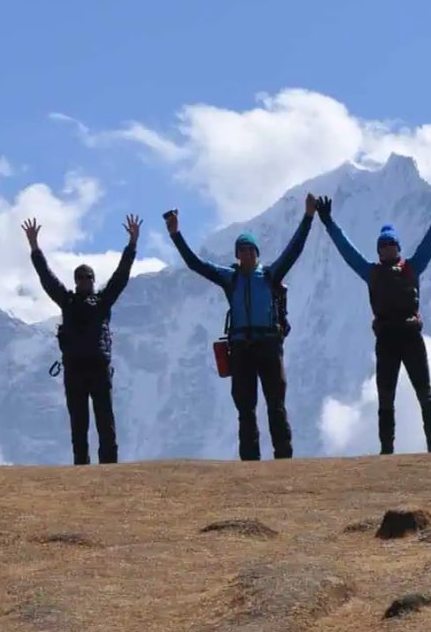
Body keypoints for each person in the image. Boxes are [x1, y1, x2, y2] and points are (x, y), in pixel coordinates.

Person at [165, 194, 317, 461]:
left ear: (257, 254)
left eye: (250, 250)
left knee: (276, 405)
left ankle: (284, 460)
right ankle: (250, 463)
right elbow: (195, 264)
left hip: (268, 345)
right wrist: (175, 234)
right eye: (242, 250)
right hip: (241, 349)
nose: (246, 254)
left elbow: (294, 250)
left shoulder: (270, 275)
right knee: (245, 409)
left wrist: (308, 217)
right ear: (236, 255)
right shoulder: (230, 278)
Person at [316, 182, 431, 454]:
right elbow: (347, 251)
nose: (388, 248)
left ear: (398, 247)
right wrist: (329, 223)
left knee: (424, 391)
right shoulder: (371, 272)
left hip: (410, 335)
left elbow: (430, 240)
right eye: (383, 245)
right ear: (379, 250)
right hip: (387, 338)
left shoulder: (412, 268)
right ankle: (387, 447)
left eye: (391, 244)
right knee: (386, 396)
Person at [24, 214, 141, 465]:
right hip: (74, 369)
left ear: (93, 280)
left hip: (99, 368)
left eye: (89, 277)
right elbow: (47, 278)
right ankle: (81, 470)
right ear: (75, 281)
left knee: (105, 421)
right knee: (79, 423)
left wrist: (132, 244)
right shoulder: (66, 301)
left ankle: (110, 469)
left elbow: (121, 276)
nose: (85, 280)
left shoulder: (103, 301)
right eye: (81, 277)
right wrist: (34, 247)